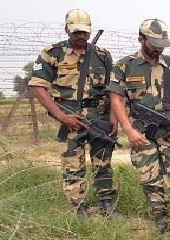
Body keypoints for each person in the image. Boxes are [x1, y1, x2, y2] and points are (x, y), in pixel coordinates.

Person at [107, 19, 170, 240]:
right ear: (141, 38)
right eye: (153, 43)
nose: (159, 47)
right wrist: (129, 130)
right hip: (141, 132)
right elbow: (116, 99)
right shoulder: (125, 65)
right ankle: (160, 219)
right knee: (150, 178)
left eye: (162, 43)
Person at [28, 9, 119, 218]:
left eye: (85, 31)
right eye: (76, 31)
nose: (81, 36)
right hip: (70, 116)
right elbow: (37, 87)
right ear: (67, 29)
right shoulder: (52, 53)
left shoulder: (102, 55)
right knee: (73, 164)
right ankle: (80, 209)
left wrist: (114, 119)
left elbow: (113, 89)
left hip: (99, 117)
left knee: (103, 163)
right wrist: (61, 116)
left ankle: (106, 205)